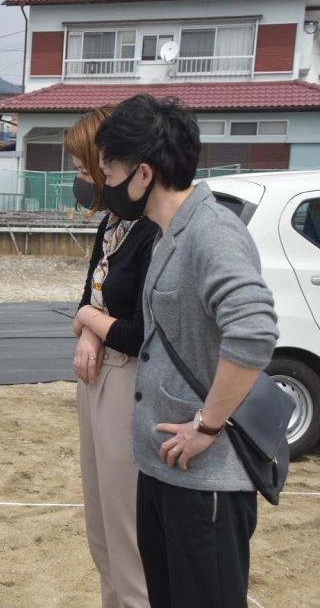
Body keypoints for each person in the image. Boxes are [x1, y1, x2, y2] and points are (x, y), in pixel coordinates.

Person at [94, 95, 279, 608]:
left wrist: (207, 426)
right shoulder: (167, 232)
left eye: (109, 169)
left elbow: (255, 330)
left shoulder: (212, 232)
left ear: (143, 174)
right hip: (163, 470)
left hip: (208, 482)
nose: (104, 182)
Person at [68, 106, 157, 608]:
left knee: (127, 535)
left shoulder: (150, 232)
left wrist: (91, 324)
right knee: (100, 525)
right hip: (96, 379)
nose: (89, 182)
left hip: (130, 384)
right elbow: (89, 297)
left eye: (92, 172)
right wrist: (90, 329)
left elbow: (138, 331)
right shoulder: (111, 225)